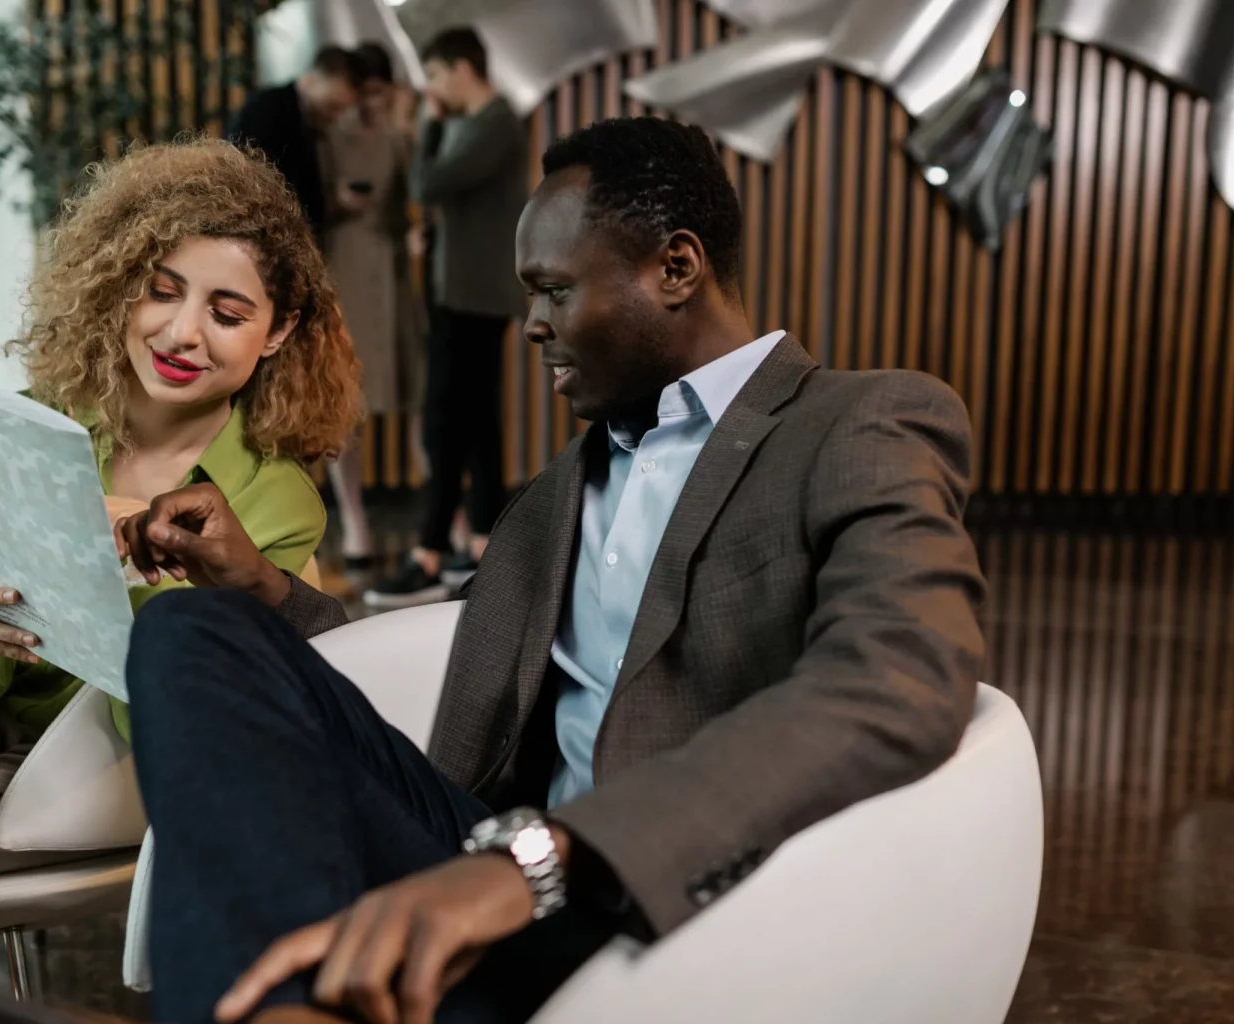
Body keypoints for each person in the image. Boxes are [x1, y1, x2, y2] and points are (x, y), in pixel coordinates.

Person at [118, 116, 987, 1024]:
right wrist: (256, 585)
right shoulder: (560, 490)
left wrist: (541, 859)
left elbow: (900, 679)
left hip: (670, 907)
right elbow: (445, 657)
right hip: (492, 867)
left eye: (554, 291)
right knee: (193, 631)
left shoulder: (860, 423)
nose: (531, 325)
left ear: (676, 269)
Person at [0, 139, 360, 1024]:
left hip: (102, 753)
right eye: (162, 289)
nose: (179, 332)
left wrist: (139, 582)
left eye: (227, 311)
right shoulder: (40, 416)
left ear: (277, 332)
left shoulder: (273, 501)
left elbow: (198, 702)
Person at [364, 27, 529, 608]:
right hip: (461, 291)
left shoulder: (495, 122)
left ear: (462, 67)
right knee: (476, 422)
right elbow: (455, 203)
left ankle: (429, 553)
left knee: (446, 422)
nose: (430, 88)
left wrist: (428, 123)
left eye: (434, 75)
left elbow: (426, 182)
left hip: (475, 296)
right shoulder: (479, 124)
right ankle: (479, 544)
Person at [322, 43, 425, 570]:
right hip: (345, 266)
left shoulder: (398, 132)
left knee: (415, 392)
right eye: (363, 92)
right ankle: (356, 523)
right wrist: (336, 200)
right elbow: (311, 197)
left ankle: (443, 518)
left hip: (389, 272)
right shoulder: (330, 134)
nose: (369, 101)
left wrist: (403, 124)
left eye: (377, 92)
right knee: (346, 401)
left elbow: (422, 189)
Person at [229, 46, 367, 244]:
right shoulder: (266, 111)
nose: (336, 117)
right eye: (333, 106)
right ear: (312, 79)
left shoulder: (311, 119)